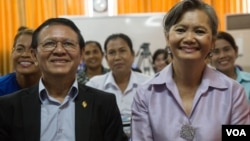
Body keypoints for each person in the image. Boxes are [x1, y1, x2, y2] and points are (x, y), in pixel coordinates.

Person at [131, 0, 250, 141]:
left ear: (212, 41)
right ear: (167, 37)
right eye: (180, 30)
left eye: (199, 31)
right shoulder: (146, 94)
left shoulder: (233, 93)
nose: (189, 38)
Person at [0, 18, 127, 141]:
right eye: (49, 44)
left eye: (68, 44)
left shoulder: (104, 104)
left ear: (81, 53)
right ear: (34, 54)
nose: (59, 50)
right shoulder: (8, 107)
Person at [86, 33, 151, 137]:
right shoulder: (94, 85)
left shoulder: (148, 84)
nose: (117, 57)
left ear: (133, 54)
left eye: (122, 51)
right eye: (112, 52)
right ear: (106, 58)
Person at [210, 31, 250, 103]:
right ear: (209, 58)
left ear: (236, 51)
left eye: (226, 49)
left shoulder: (248, 82)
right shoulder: (206, 86)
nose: (222, 55)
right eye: (216, 51)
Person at [0, 26, 41, 96]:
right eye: (20, 49)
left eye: (33, 51)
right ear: (12, 52)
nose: (25, 54)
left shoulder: (57, 87)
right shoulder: (2, 87)